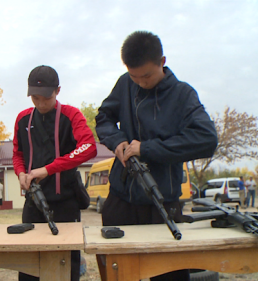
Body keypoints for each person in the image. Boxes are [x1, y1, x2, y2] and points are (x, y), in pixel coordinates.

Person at [95, 31, 218, 281]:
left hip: (163, 201)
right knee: (117, 272)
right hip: (121, 199)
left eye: (147, 76)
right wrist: (117, 141)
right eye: (134, 76)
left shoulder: (183, 94)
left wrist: (147, 148)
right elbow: (103, 118)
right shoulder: (125, 84)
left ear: (162, 61)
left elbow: (206, 139)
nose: (140, 82)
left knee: (169, 274)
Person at [12, 65, 97, 281]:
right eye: (35, 98)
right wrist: (20, 172)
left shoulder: (71, 115)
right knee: (29, 265)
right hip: (33, 203)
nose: (40, 103)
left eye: (46, 98)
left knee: (66, 266)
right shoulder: (22, 119)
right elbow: (17, 153)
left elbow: (89, 146)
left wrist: (48, 169)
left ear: (58, 91)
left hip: (65, 204)